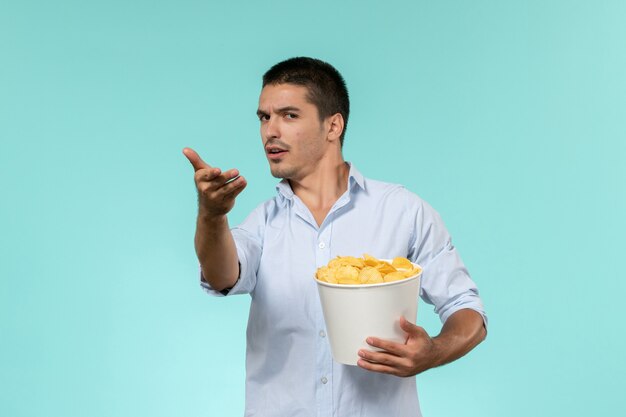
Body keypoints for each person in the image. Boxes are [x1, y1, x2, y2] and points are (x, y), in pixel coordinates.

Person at [183, 57, 487, 417]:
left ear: (333, 126)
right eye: (264, 117)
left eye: (289, 115)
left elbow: (468, 311)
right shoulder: (262, 223)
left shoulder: (403, 211)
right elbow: (221, 275)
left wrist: (433, 351)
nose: (270, 131)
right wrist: (213, 214)